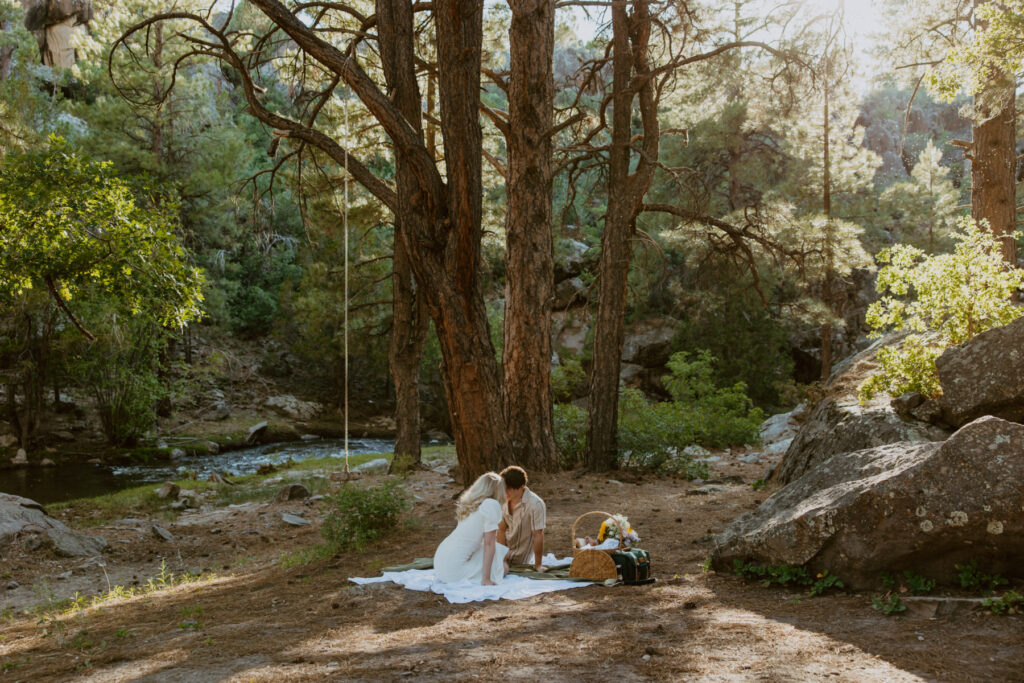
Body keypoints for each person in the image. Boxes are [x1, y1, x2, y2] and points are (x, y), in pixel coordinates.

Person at [433, 472, 508, 586]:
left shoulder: (470, 504)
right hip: (455, 572)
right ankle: (485, 574)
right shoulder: (491, 504)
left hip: (440, 564)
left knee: (498, 554)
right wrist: (486, 579)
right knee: (504, 567)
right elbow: (489, 543)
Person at [496, 466, 547, 572]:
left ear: (522, 486)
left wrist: (538, 565)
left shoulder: (535, 504)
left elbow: (537, 534)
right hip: (501, 552)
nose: (505, 492)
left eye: (509, 488)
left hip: (520, 557)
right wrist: (500, 558)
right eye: (503, 488)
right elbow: (501, 530)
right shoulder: (502, 500)